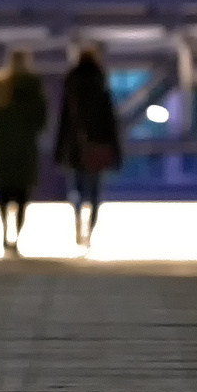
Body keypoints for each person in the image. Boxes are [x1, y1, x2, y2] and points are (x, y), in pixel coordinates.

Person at [0, 48, 47, 254]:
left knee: (3, 195)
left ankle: (5, 233)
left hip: (0, 148)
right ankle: (17, 236)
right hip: (25, 150)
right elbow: (42, 119)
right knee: (22, 196)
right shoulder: (33, 86)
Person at [54, 44, 122, 247]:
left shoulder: (71, 87)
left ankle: (77, 223)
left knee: (76, 188)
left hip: (74, 146)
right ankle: (89, 233)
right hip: (97, 145)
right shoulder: (101, 86)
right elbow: (110, 123)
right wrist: (116, 151)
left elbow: (64, 122)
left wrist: (60, 150)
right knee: (94, 192)